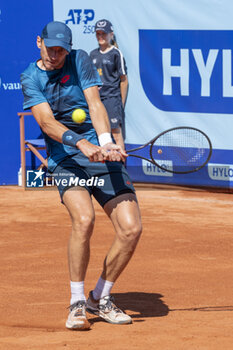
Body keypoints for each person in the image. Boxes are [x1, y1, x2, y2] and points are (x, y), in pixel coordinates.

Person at [20, 21, 142, 330]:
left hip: (96, 151)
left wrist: (105, 142)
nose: (56, 54)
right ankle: (76, 304)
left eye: (62, 50)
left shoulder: (80, 60)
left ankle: (99, 298)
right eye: (51, 48)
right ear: (39, 42)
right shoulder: (30, 77)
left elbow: (94, 103)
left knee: (131, 229)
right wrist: (81, 143)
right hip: (65, 157)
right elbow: (47, 123)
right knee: (84, 220)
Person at [90, 19, 128, 150]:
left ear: (111, 35)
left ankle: (122, 168)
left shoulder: (116, 53)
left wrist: (120, 103)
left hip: (112, 99)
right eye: (98, 34)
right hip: (97, 100)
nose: (101, 37)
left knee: (116, 134)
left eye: (103, 33)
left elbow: (124, 80)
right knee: (98, 134)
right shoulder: (93, 54)